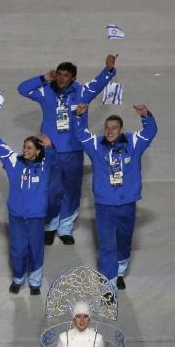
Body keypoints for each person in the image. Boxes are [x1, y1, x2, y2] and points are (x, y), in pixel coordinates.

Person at [17, 55, 117, 245]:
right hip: (49, 150)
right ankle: (50, 225)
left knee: (71, 190)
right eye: (60, 74)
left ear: (73, 78)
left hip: (73, 150)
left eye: (66, 75)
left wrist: (109, 70)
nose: (61, 78)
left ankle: (65, 227)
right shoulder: (45, 91)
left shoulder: (81, 92)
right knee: (51, 190)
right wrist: (43, 78)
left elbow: (99, 83)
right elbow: (22, 89)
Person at [73, 103, 157, 291]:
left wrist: (146, 115)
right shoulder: (96, 145)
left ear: (121, 130)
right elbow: (80, 134)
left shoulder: (133, 143)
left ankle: (120, 270)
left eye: (114, 128)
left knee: (124, 240)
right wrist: (77, 116)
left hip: (127, 204)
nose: (110, 131)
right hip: (104, 205)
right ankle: (108, 283)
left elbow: (150, 131)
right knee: (106, 244)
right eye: (107, 127)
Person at [0, 113, 56, 295]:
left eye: (29, 148)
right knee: (18, 249)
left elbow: (53, 158)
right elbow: (0, 146)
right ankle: (18, 278)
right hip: (17, 216)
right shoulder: (14, 162)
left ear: (37, 151)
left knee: (36, 249)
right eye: (24, 147)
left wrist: (50, 147)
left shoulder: (44, 166)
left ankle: (35, 281)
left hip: (36, 217)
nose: (25, 150)